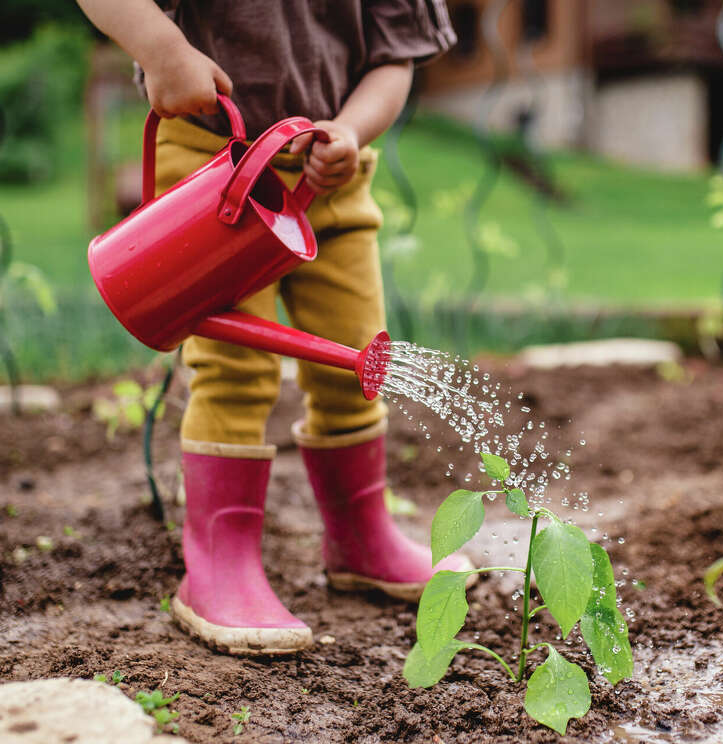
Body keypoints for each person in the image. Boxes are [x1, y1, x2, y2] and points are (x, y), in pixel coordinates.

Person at [75, 0, 471, 655]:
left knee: (355, 362)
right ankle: (218, 562)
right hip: (213, 166)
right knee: (236, 372)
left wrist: (350, 129)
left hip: (332, 178)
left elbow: (393, 60)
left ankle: (361, 535)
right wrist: (163, 50)